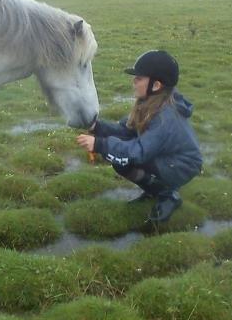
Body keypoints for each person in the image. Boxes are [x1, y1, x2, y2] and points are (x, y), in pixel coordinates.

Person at [76, 50, 202, 223]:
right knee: (121, 161)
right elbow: (126, 131)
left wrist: (100, 145)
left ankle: (168, 195)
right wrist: (97, 127)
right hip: (166, 156)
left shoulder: (165, 118)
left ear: (156, 85)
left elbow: (138, 151)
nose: (133, 81)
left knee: (125, 159)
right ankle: (154, 191)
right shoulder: (150, 103)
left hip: (181, 166)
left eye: (139, 78)